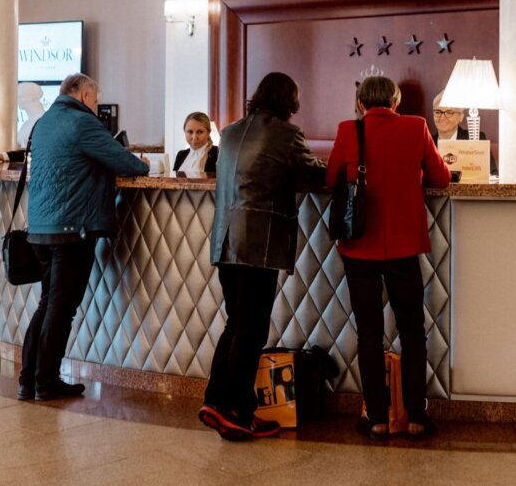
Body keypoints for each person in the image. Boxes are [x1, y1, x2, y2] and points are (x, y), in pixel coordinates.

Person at [199, 72, 325, 441]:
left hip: (225, 240)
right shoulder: (287, 135)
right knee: (251, 329)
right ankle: (239, 410)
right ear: (289, 100)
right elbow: (314, 174)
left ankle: (215, 401)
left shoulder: (233, 131)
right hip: (258, 243)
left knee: (235, 323)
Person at [327, 76, 451, 441]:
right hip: (403, 244)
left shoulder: (349, 130)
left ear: (361, 103)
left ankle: (377, 418)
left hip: (359, 245)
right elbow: (441, 178)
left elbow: (332, 176)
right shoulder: (416, 127)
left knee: (369, 333)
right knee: (413, 331)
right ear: (396, 102)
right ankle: (415, 416)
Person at [19, 73, 151, 401]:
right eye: (95, 99)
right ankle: (46, 381)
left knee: (48, 304)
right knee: (61, 309)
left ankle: (28, 380)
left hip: (40, 229)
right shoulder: (82, 122)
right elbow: (127, 164)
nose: (96, 106)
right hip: (71, 230)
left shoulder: (44, 122)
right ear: (86, 95)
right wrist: (143, 162)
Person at [429, 92, 498, 176]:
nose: (442, 117)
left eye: (449, 112)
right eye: (437, 112)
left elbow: (493, 174)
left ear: (461, 117)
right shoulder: (427, 143)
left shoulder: (476, 139)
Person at [173, 111, 218, 176]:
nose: (194, 137)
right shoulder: (181, 155)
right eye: (190, 132)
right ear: (184, 131)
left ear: (208, 133)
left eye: (200, 132)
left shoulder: (218, 154)